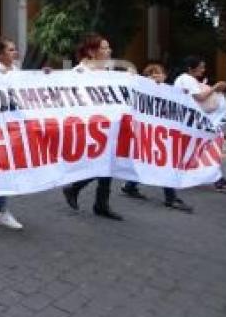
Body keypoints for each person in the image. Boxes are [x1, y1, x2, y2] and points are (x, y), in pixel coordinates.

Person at [62, 34, 123, 220]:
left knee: (109, 161)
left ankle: (100, 203)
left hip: (108, 123)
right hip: (90, 125)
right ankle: (76, 188)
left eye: (108, 47)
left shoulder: (107, 70)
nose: (109, 50)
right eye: (104, 47)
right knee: (101, 161)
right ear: (91, 51)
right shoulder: (79, 72)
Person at [120, 63, 194, 211]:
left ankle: (130, 185)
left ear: (165, 76)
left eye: (158, 73)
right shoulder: (141, 92)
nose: (155, 76)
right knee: (162, 163)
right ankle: (170, 197)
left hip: (162, 135)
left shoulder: (170, 92)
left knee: (153, 162)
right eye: (150, 74)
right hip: (146, 134)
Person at [173, 56, 226, 192]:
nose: (203, 70)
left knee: (198, 150)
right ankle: (216, 179)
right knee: (207, 148)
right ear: (191, 68)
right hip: (192, 123)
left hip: (192, 122)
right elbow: (200, 97)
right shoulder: (186, 79)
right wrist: (215, 87)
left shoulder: (185, 79)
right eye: (201, 67)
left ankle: (214, 178)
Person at [0, 39, 25, 230]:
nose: (15, 52)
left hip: (13, 124)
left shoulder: (16, 70)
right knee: (3, 167)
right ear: (0, 54)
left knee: (5, 167)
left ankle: (0, 207)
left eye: (15, 49)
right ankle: (1, 212)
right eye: (11, 49)